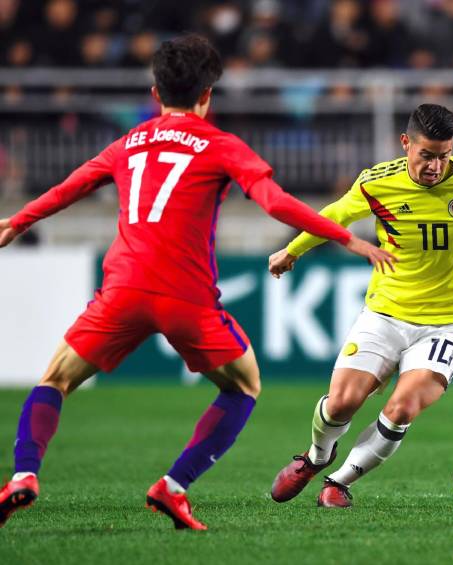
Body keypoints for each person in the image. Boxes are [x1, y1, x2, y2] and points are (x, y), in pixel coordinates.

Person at [0, 34, 395, 531]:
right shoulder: (220, 145)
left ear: (155, 93)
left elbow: (70, 187)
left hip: (122, 289)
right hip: (185, 296)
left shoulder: (128, 143)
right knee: (244, 385)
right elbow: (274, 202)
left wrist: (17, 222)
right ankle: (174, 485)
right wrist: (346, 238)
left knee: (55, 380)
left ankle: (23, 474)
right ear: (207, 94)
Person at [268, 104, 453, 508]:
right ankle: (317, 456)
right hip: (386, 312)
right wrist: (293, 250)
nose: (435, 167)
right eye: (426, 155)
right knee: (342, 402)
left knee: (402, 408)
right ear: (405, 143)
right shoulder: (378, 182)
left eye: (444, 156)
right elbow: (334, 216)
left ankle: (338, 483)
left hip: (450, 322)